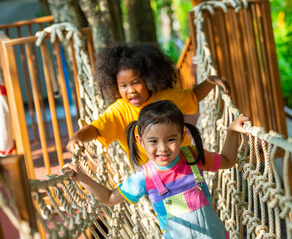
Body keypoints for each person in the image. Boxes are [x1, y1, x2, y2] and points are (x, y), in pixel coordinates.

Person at [64, 100, 249, 238]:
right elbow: (110, 198)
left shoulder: (192, 156)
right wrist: (83, 178)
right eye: (153, 141)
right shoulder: (144, 176)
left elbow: (226, 160)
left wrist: (232, 131)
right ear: (140, 142)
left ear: (182, 136)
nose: (162, 149)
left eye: (170, 139)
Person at [66, 42, 230, 170]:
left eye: (136, 82)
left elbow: (193, 97)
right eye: (123, 85)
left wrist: (210, 82)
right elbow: (97, 129)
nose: (131, 90)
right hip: (152, 178)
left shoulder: (166, 97)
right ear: (114, 85)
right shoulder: (119, 110)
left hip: (184, 166)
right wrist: (78, 136)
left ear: (149, 78)